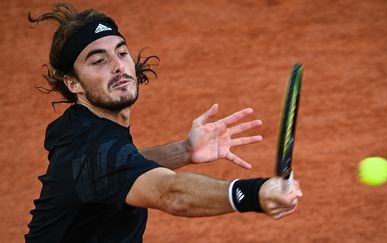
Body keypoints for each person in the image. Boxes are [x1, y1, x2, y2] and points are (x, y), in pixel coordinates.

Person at [25, 2, 303, 242]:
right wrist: (254, 193)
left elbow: (122, 165)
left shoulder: (80, 128)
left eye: (121, 53)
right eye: (98, 60)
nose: (118, 66)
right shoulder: (93, 148)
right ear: (73, 83)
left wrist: (184, 151)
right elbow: (172, 194)